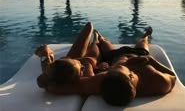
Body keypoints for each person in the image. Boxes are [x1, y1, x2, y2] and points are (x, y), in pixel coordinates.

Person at [46, 27, 176, 106]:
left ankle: (99, 38)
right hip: (139, 55)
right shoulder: (158, 82)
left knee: (103, 44)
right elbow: (173, 76)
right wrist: (151, 60)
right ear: (131, 76)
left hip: (113, 56)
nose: (110, 69)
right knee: (142, 44)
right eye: (117, 68)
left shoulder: (102, 81)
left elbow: (53, 87)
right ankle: (145, 36)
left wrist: (99, 68)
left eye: (112, 69)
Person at [35, 22, 108, 88]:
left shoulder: (51, 72)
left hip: (72, 63)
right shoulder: (87, 76)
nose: (83, 66)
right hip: (90, 60)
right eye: (81, 69)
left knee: (89, 26)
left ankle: (91, 42)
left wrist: (44, 52)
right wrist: (100, 70)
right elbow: (99, 80)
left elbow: (46, 58)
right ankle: (97, 38)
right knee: (95, 44)